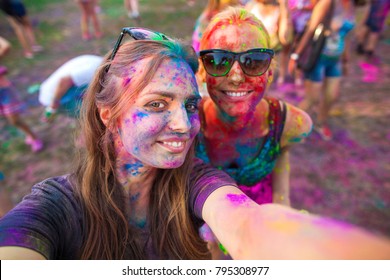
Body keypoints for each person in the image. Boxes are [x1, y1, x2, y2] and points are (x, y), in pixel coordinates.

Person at [0, 28, 390, 260]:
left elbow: (248, 225)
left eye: (189, 105)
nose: (184, 125)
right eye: (156, 104)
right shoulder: (54, 206)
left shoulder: (197, 181)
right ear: (107, 113)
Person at [196, 6, 311, 258]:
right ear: (203, 71)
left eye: (254, 61)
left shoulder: (290, 124)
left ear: (270, 72)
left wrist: (281, 226)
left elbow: (282, 185)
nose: (237, 77)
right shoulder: (188, 126)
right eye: (218, 60)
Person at [288, 0, 355, 140]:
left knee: (331, 96)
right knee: (312, 98)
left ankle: (320, 123)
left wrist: (346, 61)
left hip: (334, 61)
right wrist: (295, 56)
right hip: (317, 58)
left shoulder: (351, 5)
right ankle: (290, 125)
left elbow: (347, 37)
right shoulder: (327, 2)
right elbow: (311, 30)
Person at [0, 36, 43, 152]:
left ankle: (34, 138)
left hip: (5, 93)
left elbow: (6, 46)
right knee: (11, 120)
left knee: (15, 120)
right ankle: (29, 135)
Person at [38, 54, 103, 122]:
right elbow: (64, 81)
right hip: (54, 96)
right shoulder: (92, 71)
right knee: (93, 115)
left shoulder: (101, 63)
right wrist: (52, 109)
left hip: (70, 89)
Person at [244, 0, 292, 86]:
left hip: (268, 60)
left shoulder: (279, 9)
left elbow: (285, 38)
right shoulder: (251, 6)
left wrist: (284, 8)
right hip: (249, 58)